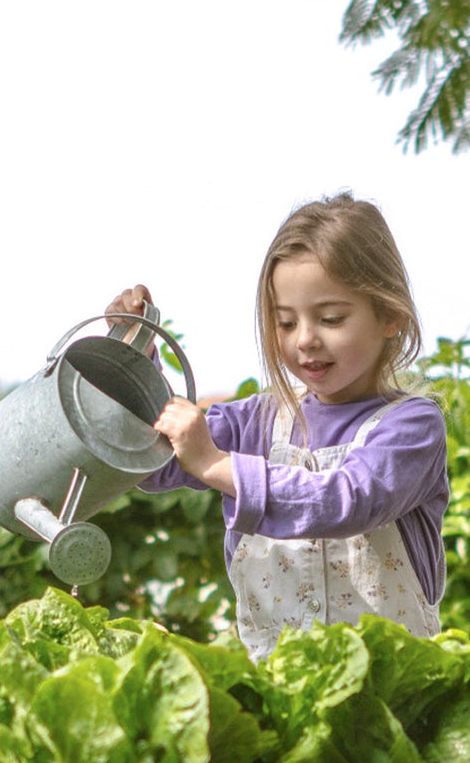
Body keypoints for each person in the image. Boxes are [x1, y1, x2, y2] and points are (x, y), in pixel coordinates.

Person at [105, 192, 448, 659]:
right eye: (286, 323)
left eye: (330, 318)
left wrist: (215, 464)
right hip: (278, 691)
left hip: (392, 696)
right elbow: (154, 459)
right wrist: (134, 356)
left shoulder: (412, 427)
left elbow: (347, 500)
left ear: (390, 315)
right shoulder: (258, 422)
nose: (305, 339)